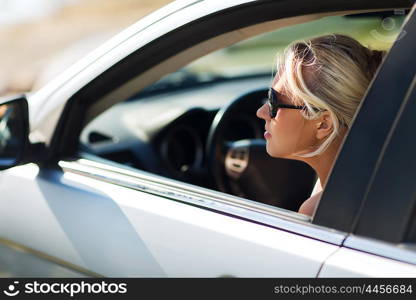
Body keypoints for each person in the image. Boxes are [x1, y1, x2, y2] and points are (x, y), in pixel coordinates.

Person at [256, 34, 385, 217]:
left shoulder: (323, 209)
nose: (261, 112)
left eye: (273, 101)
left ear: (324, 124)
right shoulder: (373, 175)